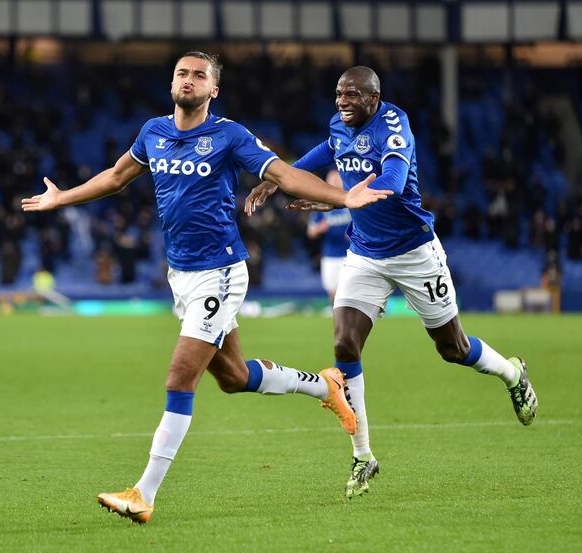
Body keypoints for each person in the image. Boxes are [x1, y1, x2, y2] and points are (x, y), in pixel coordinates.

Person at [21, 52, 393, 523]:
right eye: (182, 73)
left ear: (213, 90)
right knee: (234, 377)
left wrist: (343, 195)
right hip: (182, 274)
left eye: (200, 75)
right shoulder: (152, 132)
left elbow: (281, 173)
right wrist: (62, 197)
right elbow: (117, 177)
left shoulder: (229, 135)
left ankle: (144, 493)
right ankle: (324, 386)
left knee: (180, 377)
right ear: (171, 82)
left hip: (220, 273)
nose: (189, 80)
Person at [246, 66, 538, 499]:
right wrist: (278, 179)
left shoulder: (394, 127)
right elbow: (329, 151)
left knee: (452, 349)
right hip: (364, 253)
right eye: (338, 94)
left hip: (415, 253)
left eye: (351, 95)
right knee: (345, 345)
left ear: (373, 97)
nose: (341, 101)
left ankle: (513, 373)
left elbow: (396, 181)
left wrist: (349, 197)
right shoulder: (339, 124)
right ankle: (363, 456)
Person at [306, 169, 351, 304]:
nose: (335, 183)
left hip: (351, 255)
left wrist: (355, 235)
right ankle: (339, 319)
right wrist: (320, 228)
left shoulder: (350, 202)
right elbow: (310, 232)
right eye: (332, 180)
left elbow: (364, 226)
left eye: (337, 180)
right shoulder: (321, 205)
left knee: (349, 292)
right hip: (330, 255)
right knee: (332, 293)